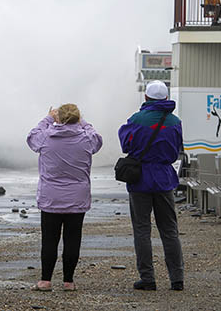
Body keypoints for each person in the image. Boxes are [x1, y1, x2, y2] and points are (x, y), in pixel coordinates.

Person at [26, 103, 103, 292]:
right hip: (77, 198)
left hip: (51, 198)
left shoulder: (45, 137)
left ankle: (45, 281)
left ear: (58, 118)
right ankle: (68, 281)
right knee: (73, 239)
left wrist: (48, 118)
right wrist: (80, 121)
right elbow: (96, 137)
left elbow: (31, 136)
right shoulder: (86, 138)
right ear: (78, 118)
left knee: (50, 240)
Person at [118, 80, 184, 291]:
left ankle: (148, 278)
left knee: (142, 230)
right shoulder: (174, 121)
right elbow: (176, 151)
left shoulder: (136, 119)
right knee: (169, 230)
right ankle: (177, 279)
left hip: (140, 180)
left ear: (146, 97)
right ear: (166, 98)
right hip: (164, 178)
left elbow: (126, 144)